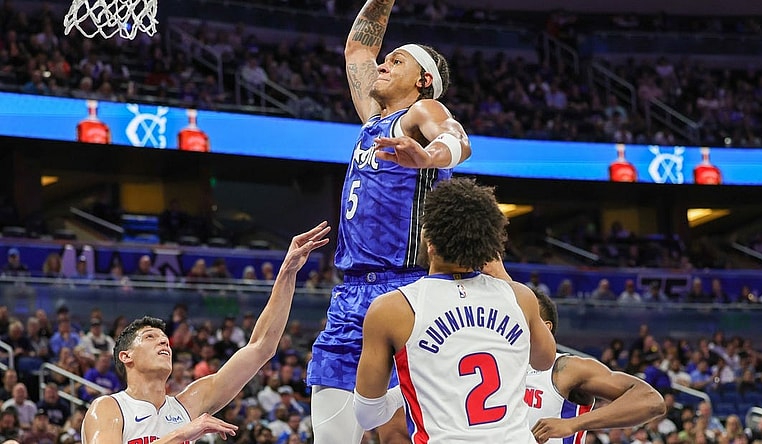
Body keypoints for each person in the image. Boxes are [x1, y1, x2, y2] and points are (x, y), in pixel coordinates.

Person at [307, 0, 472, 441]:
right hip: (350, 294)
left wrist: (428, 156)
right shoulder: (376, 121)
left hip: (406, 289)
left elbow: (457, 139)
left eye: (396, 60)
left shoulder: (420, 115)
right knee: (331, 435)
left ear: (422, 80)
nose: (383, 63)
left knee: (402, 434)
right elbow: (358, 51)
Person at [80, 222, 330, 444]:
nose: (164, 343)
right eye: (150, 337)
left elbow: (261, 347)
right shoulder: (109, 408)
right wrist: (181, 434)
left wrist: (287, 272)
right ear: (126, 356)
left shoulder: (187, 404)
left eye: (165, 339)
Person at [353, 178, 556, 441]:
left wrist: (408, 388)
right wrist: (502, 277)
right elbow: (544, 360)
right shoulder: (520, 296)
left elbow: (369, 415)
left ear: (429, 241)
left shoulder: (392, 309)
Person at [525, 290, 666, 444]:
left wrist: (573, 424)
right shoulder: (503, 367)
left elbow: (651, 401)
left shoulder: (567, 368)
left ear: (546, 327)